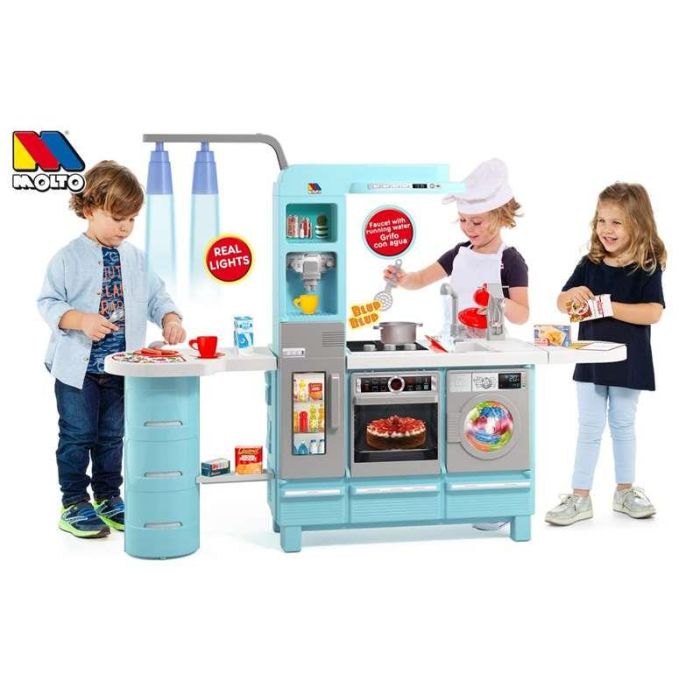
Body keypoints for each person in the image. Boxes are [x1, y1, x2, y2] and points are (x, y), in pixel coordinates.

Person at [38, 161, 187, 539]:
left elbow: (157, 296)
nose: (125, 227)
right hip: (77, 371)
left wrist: (169, 317)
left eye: (132, 219)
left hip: (120, 369)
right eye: (117, 218)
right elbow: (48, 302)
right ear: (89, 208)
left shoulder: (136, 258)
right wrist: (80, 319)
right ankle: (74, 502)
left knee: (112, 436)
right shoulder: (68, 257)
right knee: (77, 435)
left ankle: (108, 498)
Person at [384, 158, 529, 532]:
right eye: (463, 220)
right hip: (455, 348)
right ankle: (453, 495)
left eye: (476, 222)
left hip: (491, 353)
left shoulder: (510, 261)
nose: (469, 228)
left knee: (486, 428)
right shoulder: (458, 253)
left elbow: (522, 314)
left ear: (500, 215)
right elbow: (419, 280)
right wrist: (400, 277)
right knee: (453, 424)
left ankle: (493, 502)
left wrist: (495, 300)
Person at [545, 182, 666, 526]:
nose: (606, 229)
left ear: (638, 224)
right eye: (602, 220)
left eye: (617, 222)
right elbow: (561, 302)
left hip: (629, 360)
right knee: (589, 427)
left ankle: (625, 492)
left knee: (623, 424)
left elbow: (653, 312)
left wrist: (610, 306)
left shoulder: (646, 266)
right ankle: (579, 497)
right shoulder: (590, 263)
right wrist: (572, 296)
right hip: (590, 360)